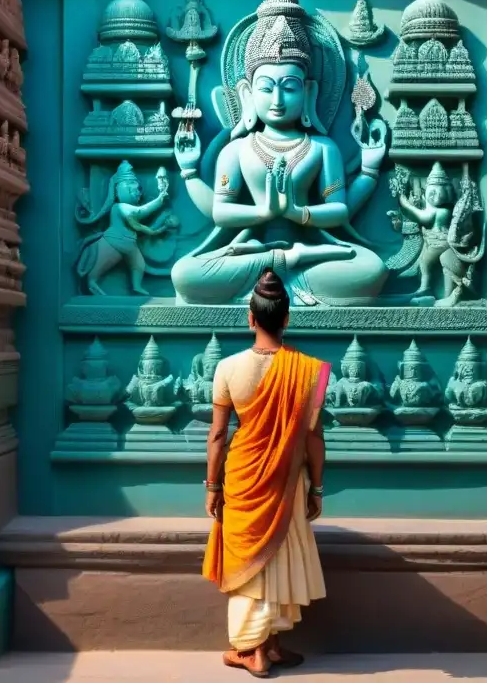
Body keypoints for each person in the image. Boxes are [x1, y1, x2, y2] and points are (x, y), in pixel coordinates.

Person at [202, 268, 331, 677]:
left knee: (252, 558)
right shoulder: (313, 371)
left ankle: (257, 649)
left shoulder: (226, 368)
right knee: (274, 555)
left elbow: (219, 436)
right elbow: (314, 439)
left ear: (251, 318)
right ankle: (264, 645)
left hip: (242, 477)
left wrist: (212, 486)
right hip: (289, 479)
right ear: (287, 318)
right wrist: (317, 488)